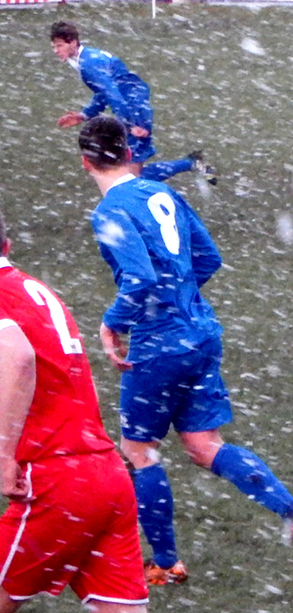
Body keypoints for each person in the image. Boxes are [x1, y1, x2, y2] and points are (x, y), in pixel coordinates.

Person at [78, 116, 293, 584]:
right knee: (205, 446)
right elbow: (207, 257)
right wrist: (182, 299)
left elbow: (140, 279)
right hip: (201, 333)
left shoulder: (110, 211)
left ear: (85, 162)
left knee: (138, 451)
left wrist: (113, 324)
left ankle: (166, 563)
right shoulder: (162, 192)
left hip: (160, 345)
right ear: (130, 153)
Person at [0, 210, 150, 611]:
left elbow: (17, 358)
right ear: (7, 246)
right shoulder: (34, 289)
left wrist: (2, 454)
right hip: (105, 477)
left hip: (56, 480)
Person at [50, 21, 217, 185]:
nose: (56, 51)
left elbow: (113, 94)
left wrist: (130, 124)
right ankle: (191, 163)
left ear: (73, 42)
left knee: (131, 180)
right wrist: (84, 114)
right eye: (54, 47)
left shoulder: (88, 64)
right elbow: (104, 92)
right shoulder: (88, 57)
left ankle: (191, 163)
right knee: (130, 178)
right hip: (135, 107)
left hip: (134, 111)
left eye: (59, 46)